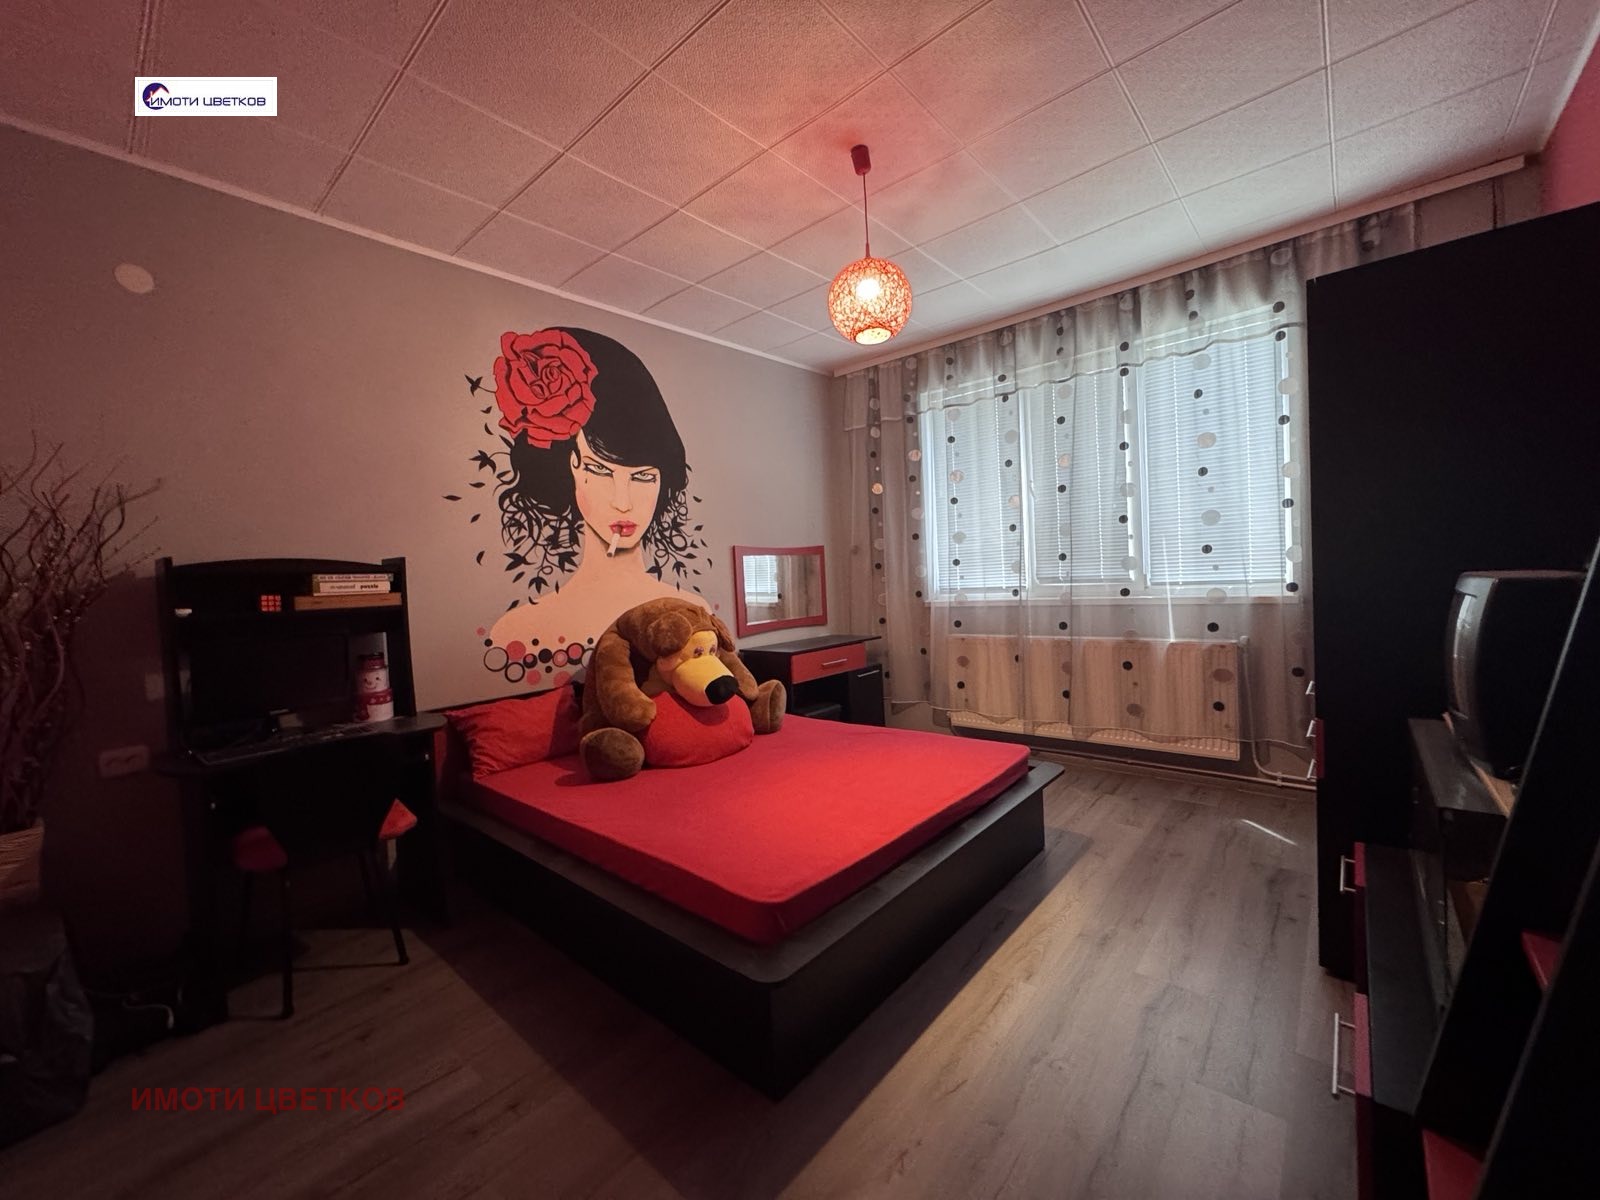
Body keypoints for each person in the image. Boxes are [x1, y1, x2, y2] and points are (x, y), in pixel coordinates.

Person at [476, 327, 708, 686]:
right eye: (599, 471)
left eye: (643, 477)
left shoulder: (696, 614)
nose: (622, 502)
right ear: (569, 466)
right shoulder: (517, 631)